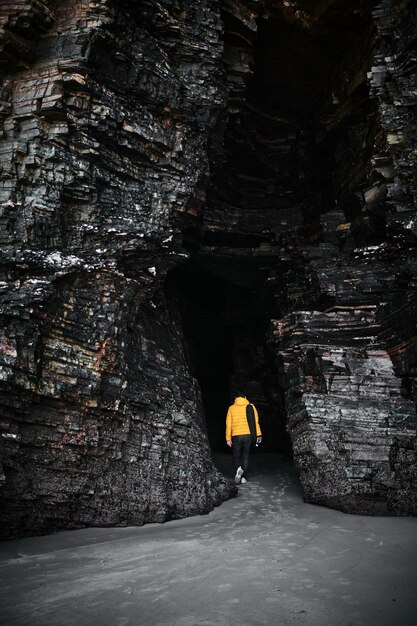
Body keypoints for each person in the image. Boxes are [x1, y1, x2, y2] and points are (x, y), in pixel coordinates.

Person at [225, 391, 262, 484]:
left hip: (236, 436)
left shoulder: (231, 408)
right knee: (245, 456)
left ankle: (238, 470)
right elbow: (255, 422)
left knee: (236, 456)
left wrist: (228, 438)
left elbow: (228, 424)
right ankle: (243, 477)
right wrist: (259, 434)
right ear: (244, 397)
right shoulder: (251, 406)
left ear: (235, 399)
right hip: (248, 435)